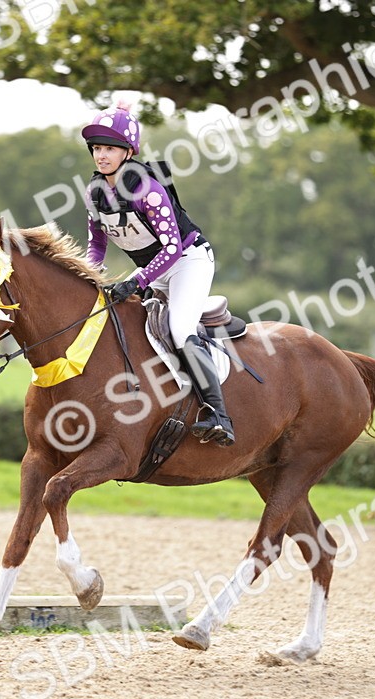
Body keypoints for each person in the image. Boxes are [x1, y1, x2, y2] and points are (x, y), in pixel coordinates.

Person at [81, 101, 234, 446]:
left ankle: (219, 415)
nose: (101, 155)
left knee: (179, 329)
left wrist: (136, 282)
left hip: (188, 261)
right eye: (97, 148)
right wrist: (90, 277)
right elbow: (97, 247)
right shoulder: (94, 193)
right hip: (153, 270)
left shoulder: (146, 189)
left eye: (109, 148)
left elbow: (173, 250)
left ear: (128, 152)